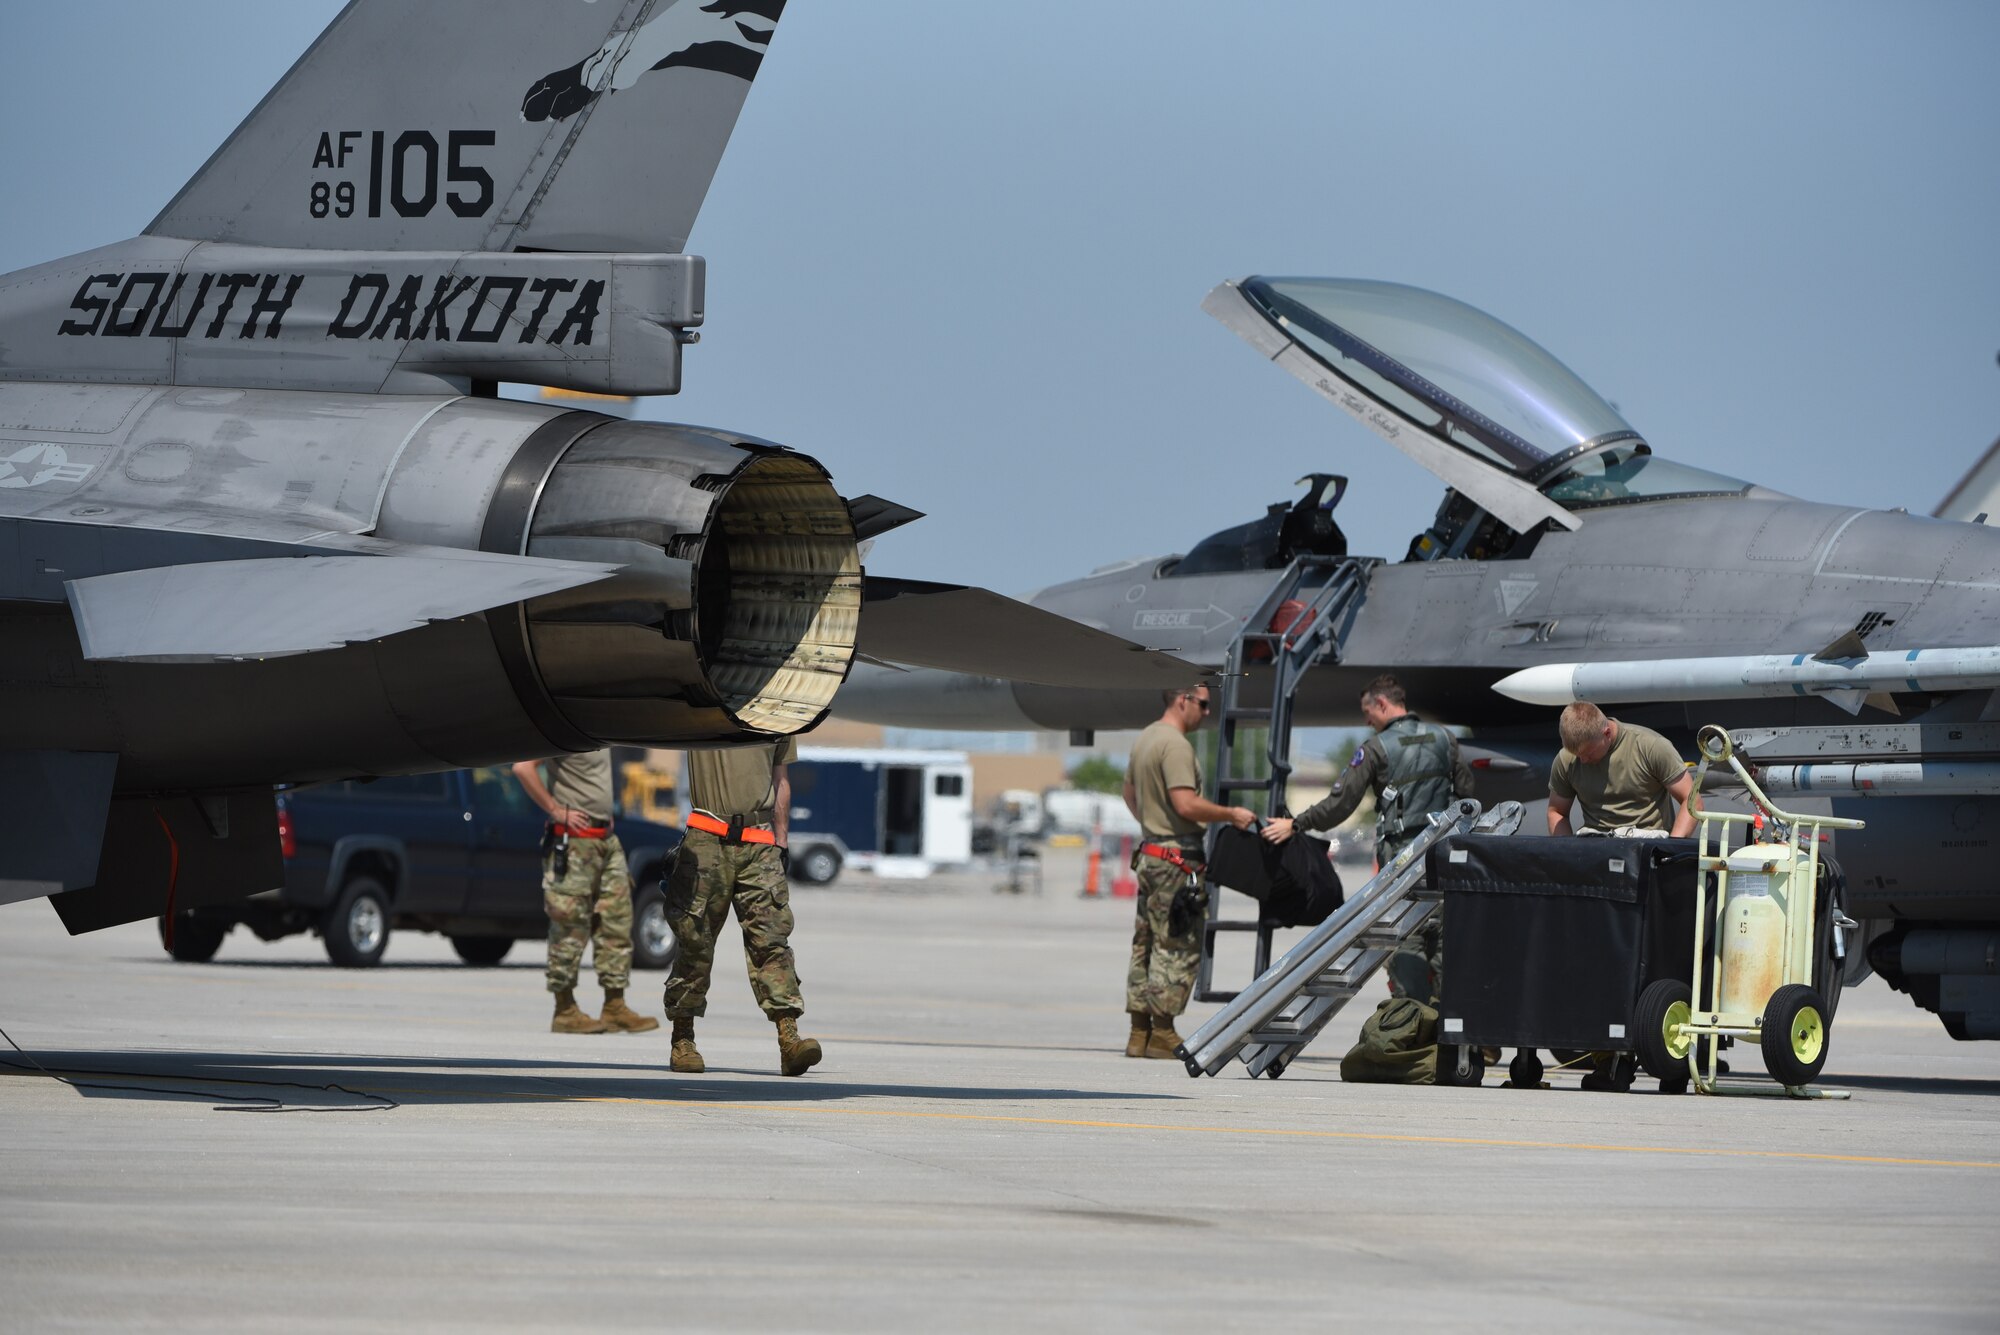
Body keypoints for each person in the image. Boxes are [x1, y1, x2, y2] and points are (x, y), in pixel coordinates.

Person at [1261, 674, 1473, 1001]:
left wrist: (1296, 824)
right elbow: (1467, 796)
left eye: (1368, 712)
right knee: (1450, 955)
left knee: (1407, 952)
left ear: (1382, 704)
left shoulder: (1376, 749)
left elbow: (1341, 804)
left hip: (1402, 872)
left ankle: (1413, 1037)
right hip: (1447, 865)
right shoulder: (1445, 738)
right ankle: (1460, 1045)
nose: (1366, 720)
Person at [664, 738, 821, 1077]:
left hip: (760, 841)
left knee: (771, 940)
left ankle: (788, 1039)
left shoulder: (776, 713)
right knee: (696, 942)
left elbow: (781, 780)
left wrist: (782, 843)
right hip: (708, 836)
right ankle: (683, 1039)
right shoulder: (708, 704)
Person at [1120, 682, 1257, 1059]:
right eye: (1203, 704)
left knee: (1145, 944)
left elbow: (1129, 794)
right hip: (1176, 859)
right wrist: (1230, 814)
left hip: (1150, 854)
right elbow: (1185, 804)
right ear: (1183, 700)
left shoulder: (1145, 738)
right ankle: (1162, 1031)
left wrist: (1153, 827)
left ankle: (1138, 1033)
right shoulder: (1175, 745)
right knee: (1176, 943)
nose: (1207, 712)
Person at [511, 750, 659, 1035]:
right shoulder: (564, 727)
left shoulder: (599, 731)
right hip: (575, 842)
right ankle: (565, 1009)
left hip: (605, 839)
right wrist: (556, 810)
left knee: (616, 921)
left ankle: (615, 1006)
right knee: (569, 927)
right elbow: (523, 768)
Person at [1546, 701, 1696, 838]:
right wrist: (1569, 853)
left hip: (1647, 847)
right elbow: (1556, 812)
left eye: (1588, 753)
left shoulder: (1650, 747)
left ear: (1607, 733)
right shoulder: (1566, 760)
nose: (1583, 760)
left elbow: (1691, 800)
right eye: (1577, 755)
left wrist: (1670, 852)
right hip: (1595, 848)